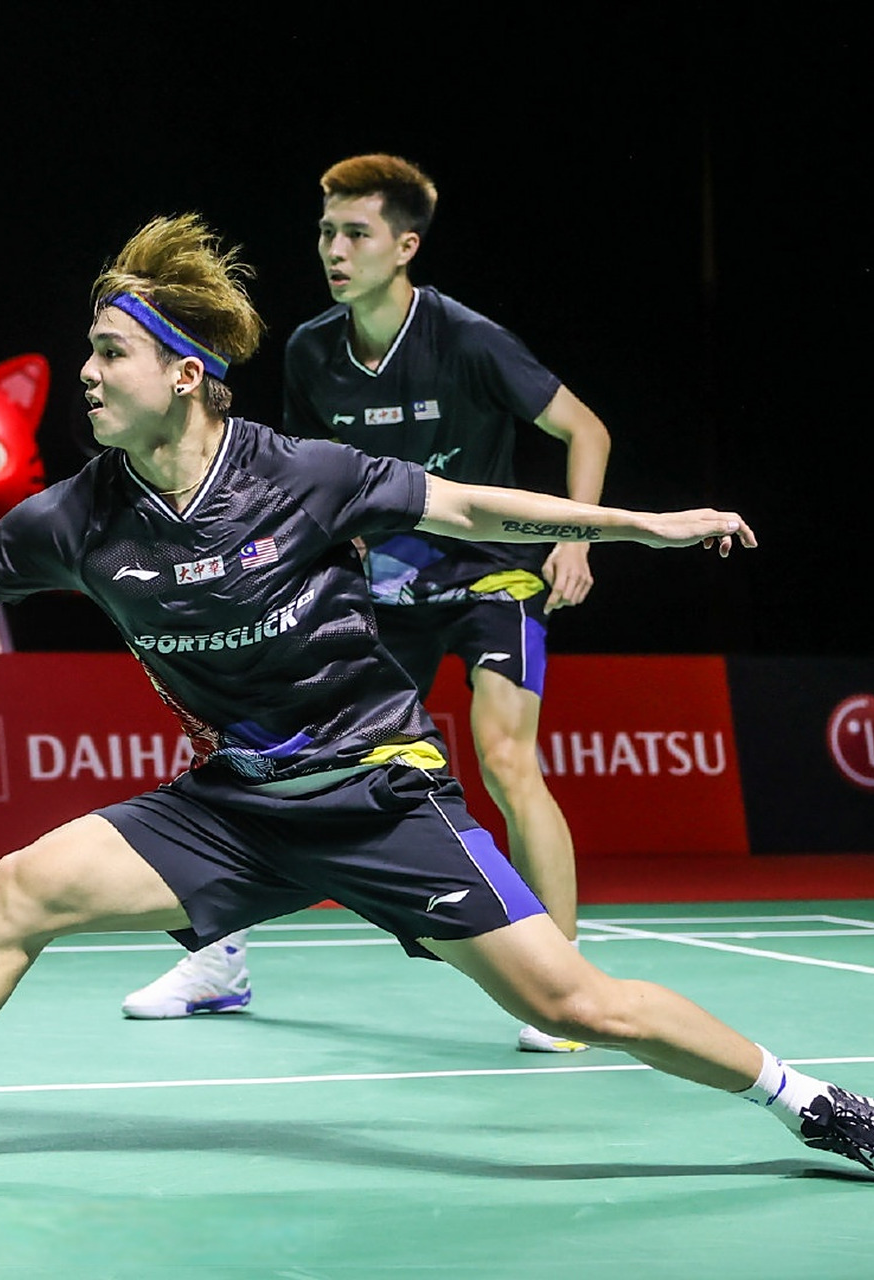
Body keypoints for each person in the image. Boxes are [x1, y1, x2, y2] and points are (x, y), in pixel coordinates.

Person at [0, 215, 874, 1187]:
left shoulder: (301, 473)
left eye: (110, 354)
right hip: (237, 803)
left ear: (184, 374)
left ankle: (822, 1106)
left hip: (378, 792)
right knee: (25, 885)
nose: (87, 376)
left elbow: (471, 504)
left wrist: (636, 525)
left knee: (571, 1002)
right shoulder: (75, 517)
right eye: (89, 353)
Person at [122, 155, 603, 1054]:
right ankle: (219, 961)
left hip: (489, 576)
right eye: (325, 233)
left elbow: (585, 428)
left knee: (506, 758)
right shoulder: (313, 350)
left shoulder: (467, 340)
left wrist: (575, 539)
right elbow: (305, 479)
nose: (333, 251)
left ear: (405, 247)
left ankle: (568, 978)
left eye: (355, 233)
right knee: (272, 754)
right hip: (381, 585)